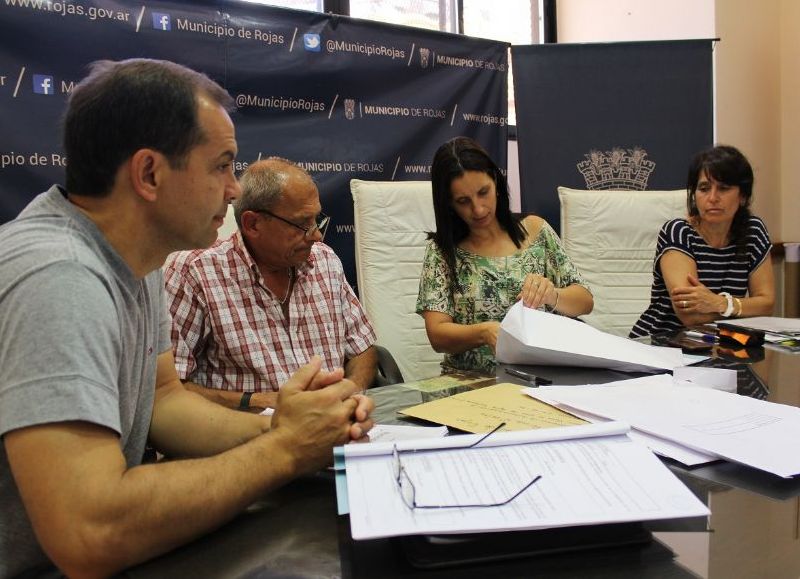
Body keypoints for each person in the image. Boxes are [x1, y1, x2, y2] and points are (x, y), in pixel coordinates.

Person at [0, 59, 372, 579]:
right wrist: (285, 450)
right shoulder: (60, 275)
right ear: (149, 173)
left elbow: (165, 401)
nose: (235, 189)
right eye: (222, 165)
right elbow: (90, 530)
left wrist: (293, 430)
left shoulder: (136, 256)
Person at [164, 158, 378, 412]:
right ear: (253, 224)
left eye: (316, 219)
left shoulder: (324, 260)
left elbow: (362, 348)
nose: (316, 235)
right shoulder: (196, 273)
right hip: (247, 435)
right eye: (302, 224)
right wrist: (257, 402)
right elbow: (169, 390)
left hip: (333, 427)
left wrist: (351, 390)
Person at [416, 137, 593, 374]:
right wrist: (483, 332)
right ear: (448, 203)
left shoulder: (534, 230)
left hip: (541, 377)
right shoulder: (443, 251)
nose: (478, 209)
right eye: (463, 201)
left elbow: (585, 301)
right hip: (470, 385)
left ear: (496, 184)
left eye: (483, 192)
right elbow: (437, 335)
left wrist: (553, 295)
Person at [630, 145, 775, 337]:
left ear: (742, 196)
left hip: (719, 344)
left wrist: (720, 303)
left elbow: (767, 304)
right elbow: (691, 317)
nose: (713, 198)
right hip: (661, 343)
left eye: (723, 188)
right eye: (704, 188)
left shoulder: (753, 231)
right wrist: (742, 308)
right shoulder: (678, 232)